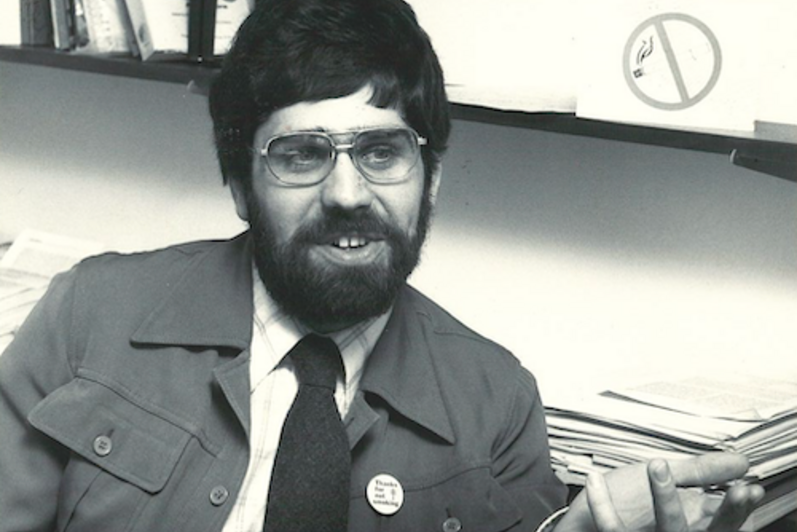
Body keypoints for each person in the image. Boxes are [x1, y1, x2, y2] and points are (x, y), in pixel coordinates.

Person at [0, 0, 764, 530]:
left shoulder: (495, 403)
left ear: (430, 180)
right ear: (239, 184)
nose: (346, 193)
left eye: (380, 152)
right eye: (300, 155)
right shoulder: (89, 316)